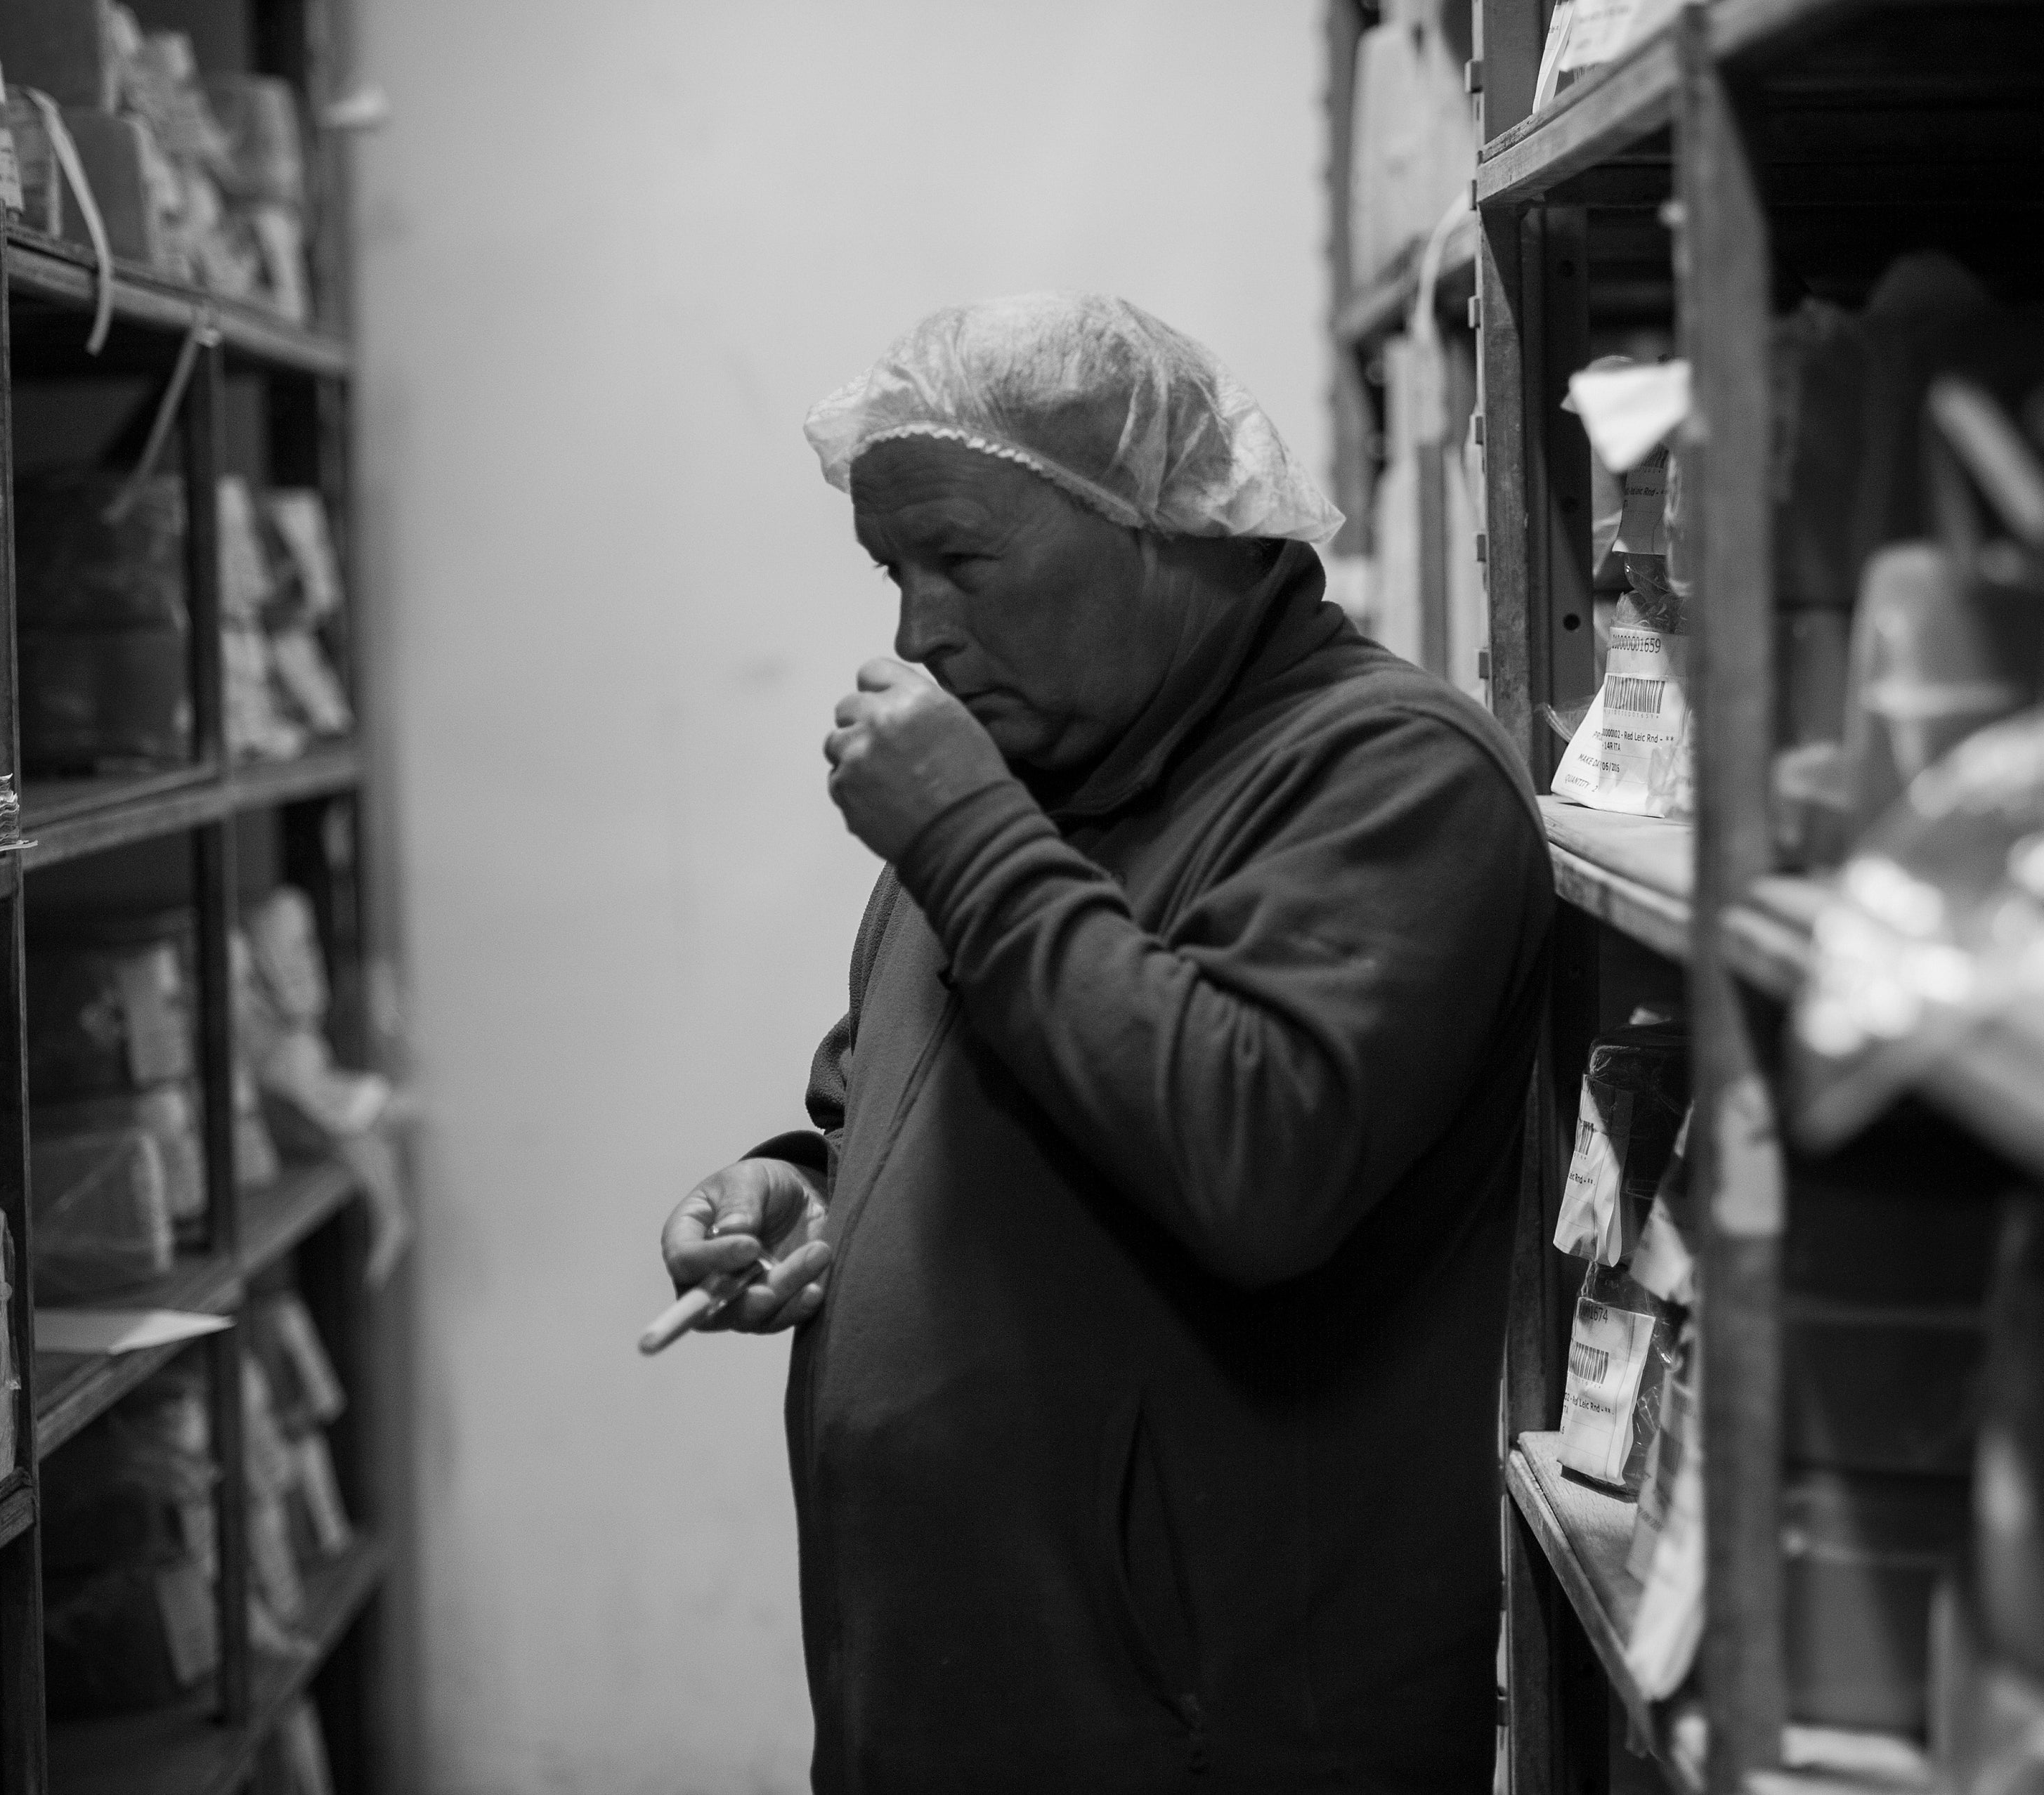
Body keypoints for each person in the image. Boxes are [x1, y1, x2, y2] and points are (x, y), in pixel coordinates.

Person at [659, 293, 1557, 1793]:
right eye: (893, 569)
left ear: (1165, 526)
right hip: (948, 1707)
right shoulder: (1021, 780)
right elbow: (899, 1108)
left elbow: (1254, 1161)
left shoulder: (1387, 776)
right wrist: (804, 1196)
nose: (915, 629)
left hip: (1213, 1739)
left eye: (963, 562)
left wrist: (962, 832)